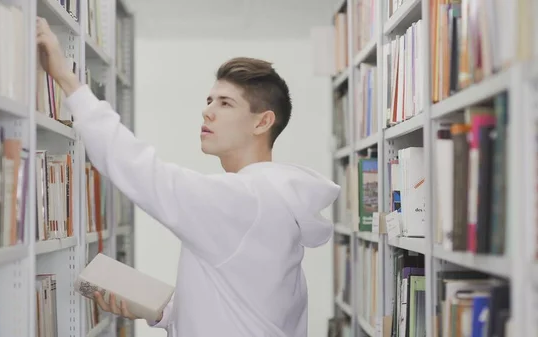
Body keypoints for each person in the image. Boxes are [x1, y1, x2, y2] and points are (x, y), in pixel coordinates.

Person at [37, 17, 341, 337]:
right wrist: (163, 311)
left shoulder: (246, 199)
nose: (207, 111)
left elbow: (140, 170)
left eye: (226, 103)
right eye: (210, 100)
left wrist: (66, 79)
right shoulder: (272, 200)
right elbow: (246, 310)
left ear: (262, 122)